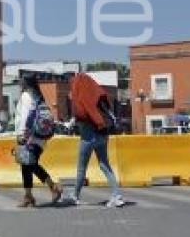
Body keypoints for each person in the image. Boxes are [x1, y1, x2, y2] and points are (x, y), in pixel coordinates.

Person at [67, 73, 125, 208]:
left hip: (88, 137)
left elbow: (80, 114)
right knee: (105, 165)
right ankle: (117, 195)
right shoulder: (97, 94)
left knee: (82, 167)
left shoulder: (81, 97)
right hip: (103, 134)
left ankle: (75, 196)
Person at [15, 73, 63, 208]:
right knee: (27, 165)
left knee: (30, 164)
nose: (19, 82)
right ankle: (28, 196)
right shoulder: (39, 96)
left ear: (26, 83)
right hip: (39, 137)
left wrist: (22, 135)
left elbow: (25, 116)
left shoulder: (26, 96)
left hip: (29, 136)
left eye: (21, 81)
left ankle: (53, 187)